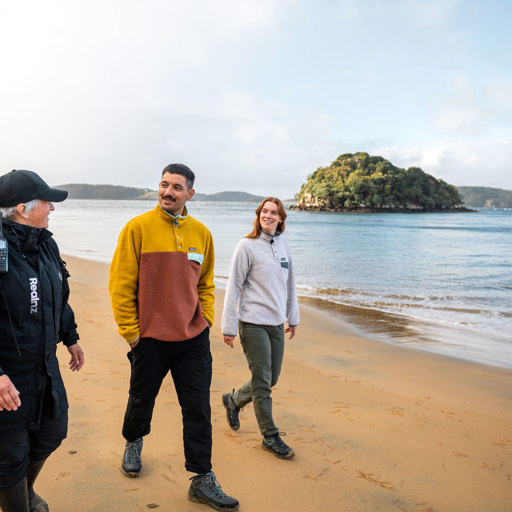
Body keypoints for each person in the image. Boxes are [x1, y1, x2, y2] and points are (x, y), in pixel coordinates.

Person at [109, 163, 239, 511]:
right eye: (164, 185)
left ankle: (201, 478)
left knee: (197, 409)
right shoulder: (137, 228)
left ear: (189, 194)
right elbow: (121, 285)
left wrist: (206, 318)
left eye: (177, 187)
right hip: (149, 339)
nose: (168, 192)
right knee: (141, 400)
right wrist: (132, 334)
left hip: (192, 340)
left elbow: (207, 283)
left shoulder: (202, 233)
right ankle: (133, 440)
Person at [0, 170, 84, 512]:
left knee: (52, 432)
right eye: (47, 202)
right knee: (9, 456)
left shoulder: (46, 243)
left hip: (44, 366)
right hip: (9, 375)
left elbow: (56, 297)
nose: (52, 208)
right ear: (23, 208)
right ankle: (18, 502)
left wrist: (70, 337)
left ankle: (25, 489)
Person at [221, 197, 299, 459]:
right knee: (263, 383)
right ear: (258, 215)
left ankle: (233, 401)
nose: (268, 216)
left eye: (274, 213)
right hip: (252, 323)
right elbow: (234, 287)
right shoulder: (246, 246)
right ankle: (270, 436)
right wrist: (229, 326)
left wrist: (293, 317)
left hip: (276, 324)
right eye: (264, 211)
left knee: (271, 377)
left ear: (281, 218)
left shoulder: (284, 245)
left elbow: (290, 285)